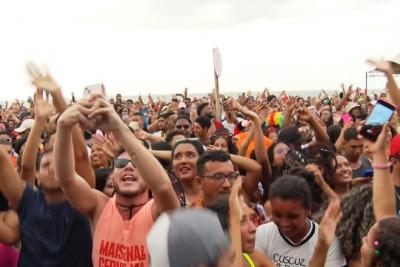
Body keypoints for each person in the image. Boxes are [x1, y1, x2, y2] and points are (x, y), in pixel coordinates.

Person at [54, 94, 179, 267]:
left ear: (149, 174)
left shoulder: (159, 211)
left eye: (136, 164)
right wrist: (63, 127)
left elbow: (164, 188)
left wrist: (119, 128)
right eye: (121, 163)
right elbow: (66, 178)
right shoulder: (99, 206)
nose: (129, 167)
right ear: (112, 175)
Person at [255, 175, 346, 266]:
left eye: (292, 216)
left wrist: (322, 245)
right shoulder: (261, 234)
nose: (284, 223)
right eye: (277, 215)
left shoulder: (328, 241)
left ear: (308, 210)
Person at [171, 139, 205, 206]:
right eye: (177, 157)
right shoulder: (166, 198)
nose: (183, 161)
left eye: (190, 155)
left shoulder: (215, 192)